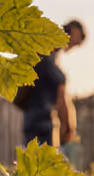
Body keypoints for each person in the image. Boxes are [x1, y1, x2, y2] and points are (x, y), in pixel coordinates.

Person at [22, 20, 86, 150]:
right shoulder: (47, 57)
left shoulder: (48, 54)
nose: (75, 45)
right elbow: (60, 90)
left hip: (35, 118)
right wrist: (68, 127)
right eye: (77, 40)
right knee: (44, 158)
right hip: (42, 120)